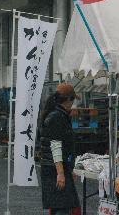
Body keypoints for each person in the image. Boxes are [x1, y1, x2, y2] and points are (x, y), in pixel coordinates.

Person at [39, 83, 80, 215]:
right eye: (73, 99)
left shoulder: (56, 114)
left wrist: (68, 169)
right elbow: (56, 146)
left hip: (53, 168)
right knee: (62, 207)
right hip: (54, 170)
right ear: (68, 99)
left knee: (60, 207)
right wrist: (61, 173)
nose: (73, 103)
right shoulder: (57, 117)